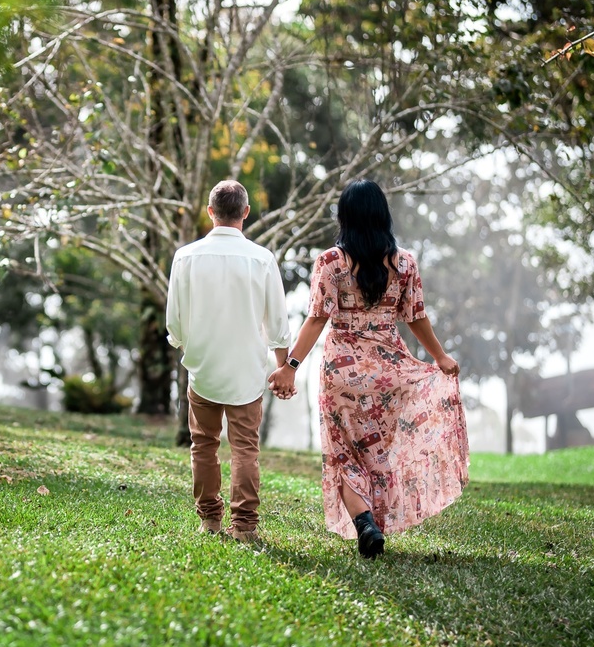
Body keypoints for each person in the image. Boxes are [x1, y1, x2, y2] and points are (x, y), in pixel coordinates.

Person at [269, 180, 469, 558]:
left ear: (344, 217)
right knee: (376, 453)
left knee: (342, 452)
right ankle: (372, 521)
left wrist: (290, 367)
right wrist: (440, 357)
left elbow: (316, 319)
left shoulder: (331, 262)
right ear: (383, 215)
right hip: (388, 373)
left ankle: (364, 522)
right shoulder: (404, 262)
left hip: (341, 373)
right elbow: (417, 318)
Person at [166, 180, 291, 543]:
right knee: (245, 448)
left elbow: (174, 322)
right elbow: (278, 325)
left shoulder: (185, 257)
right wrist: (284, 367)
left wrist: (189, 346)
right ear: (246, 213)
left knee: (203, 444)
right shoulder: (262, 258)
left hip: (203, 367)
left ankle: (210, 520)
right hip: (248, 371)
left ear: (210, 212)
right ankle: (246, 525)